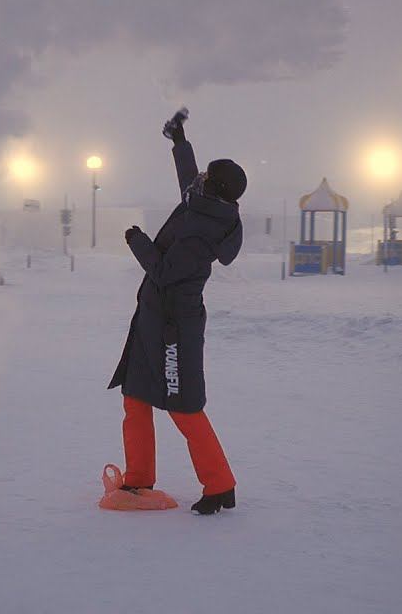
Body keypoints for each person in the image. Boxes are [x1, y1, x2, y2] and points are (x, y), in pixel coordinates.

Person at [108, 108, 246, 515]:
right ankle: (137, 479)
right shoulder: (203, 203)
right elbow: (189, 178)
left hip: (174, 327)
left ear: (214, 189)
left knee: (184, 406)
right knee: (135, 396)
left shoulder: (203, 230)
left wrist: (137, 241)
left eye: (206, 176)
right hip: (152, 317)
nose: (198, 177)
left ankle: (220, 486)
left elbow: (165, 272)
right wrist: (179, 141)